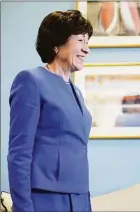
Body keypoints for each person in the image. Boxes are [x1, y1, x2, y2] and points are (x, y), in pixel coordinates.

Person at [7, 10, 93, 212]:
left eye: (88, 42)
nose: (86, 49)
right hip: (46, 199)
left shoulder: (76, 91)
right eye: (81, 40)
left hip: (79, 197)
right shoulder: (31, 81)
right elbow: (19, 153)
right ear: (57, 43)